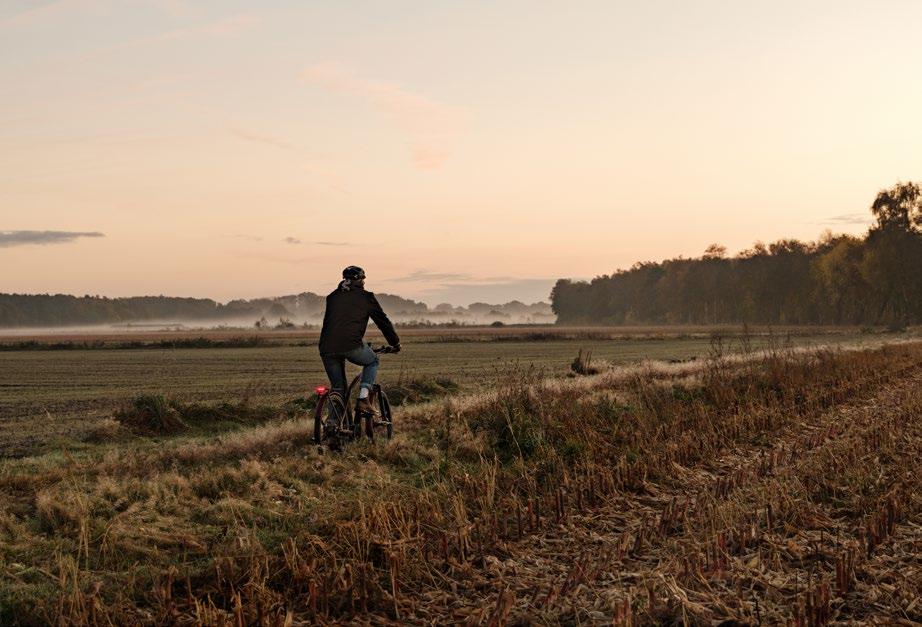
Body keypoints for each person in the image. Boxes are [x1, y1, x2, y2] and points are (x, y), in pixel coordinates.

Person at [319, 266, 401, 415]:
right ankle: (363, 399)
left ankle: (333, 423)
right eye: (363, 279)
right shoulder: (366, 297)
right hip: (351, 345)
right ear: (359, 281)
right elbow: (382, 321)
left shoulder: (332, 297)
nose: (364, 282)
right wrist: (395, 343)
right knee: (372, 361)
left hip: (326, 347)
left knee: (338, 388)